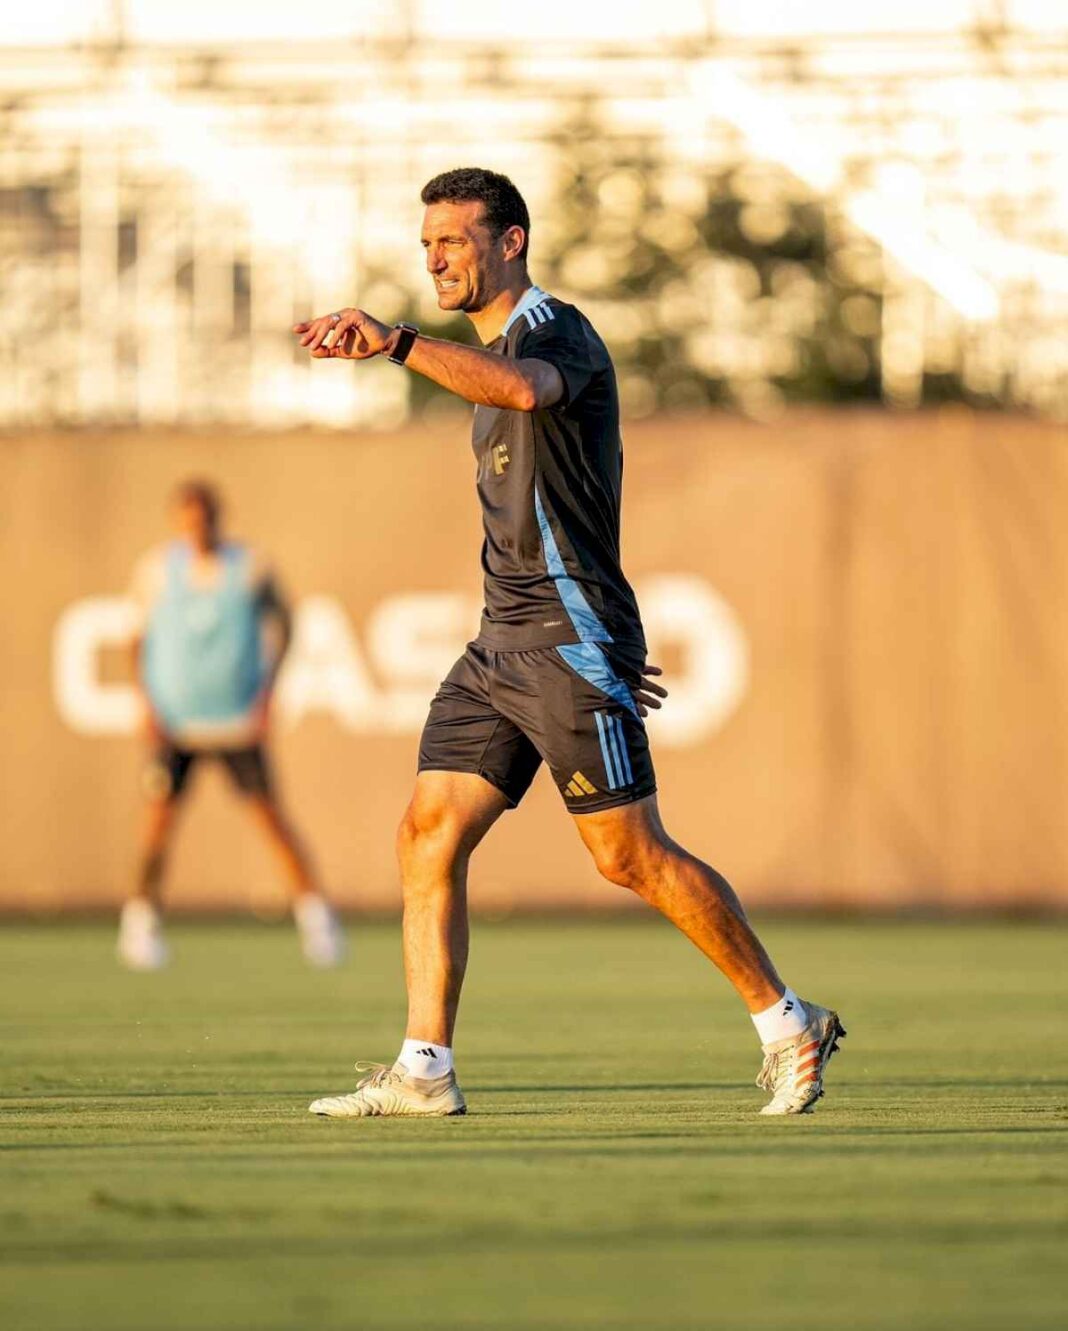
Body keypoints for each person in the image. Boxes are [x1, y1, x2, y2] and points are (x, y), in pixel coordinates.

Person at [293, 168, 843, 1117]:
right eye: (428, 244)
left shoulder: (556, 333)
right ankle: (425, 1068)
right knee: (427, 833)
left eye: (455, 240)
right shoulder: (482, 353)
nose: (435, 259)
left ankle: (789, 1019)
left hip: (565, 633)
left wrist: (395, 343)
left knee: (627, 855)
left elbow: (519, 388)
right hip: (501, 638)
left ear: (510, 242)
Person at [118, 479, 345, 971]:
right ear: (177, 522)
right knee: (157, 823)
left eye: (204, 518)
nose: (196, 528)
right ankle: (140, 925)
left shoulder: (250, 568)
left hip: (236, 720)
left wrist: (269, 691)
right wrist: (146, 703)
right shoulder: (157, 571)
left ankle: (317, 921)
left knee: (270, 819)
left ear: (218, 518)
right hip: (176, 723)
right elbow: (136, 639)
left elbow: (286, 623)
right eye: (187, 519)